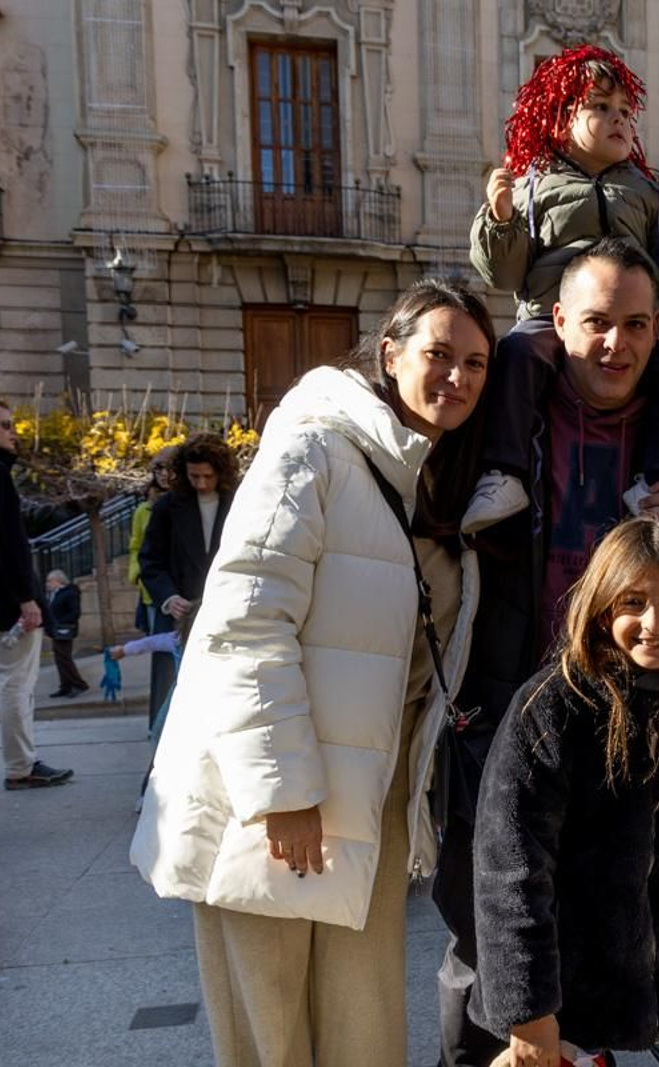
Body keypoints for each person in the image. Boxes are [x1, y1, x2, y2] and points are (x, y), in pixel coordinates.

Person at [129, 278, 493, 1065]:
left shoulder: (425, 479)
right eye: (439, 354)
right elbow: (244, 625)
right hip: (276, 801)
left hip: (370, 804)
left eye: (475, 362)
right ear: (389, 352)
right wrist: (284, 793)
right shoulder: (312, 449)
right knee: (273, 1040)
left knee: (363, 1037)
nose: (456, 377)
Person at [440, 237, 659, 1066]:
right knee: (486, 942)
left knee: (609, 940)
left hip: (626, 736)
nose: (617, 344)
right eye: (597, 321)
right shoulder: (504, 417)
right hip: (501, 708)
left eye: (637, 324)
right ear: (556, 320)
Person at [469, 518, 659, 1067]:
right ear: (601, 605)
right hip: (571, 1008)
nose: (653, 622)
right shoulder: (550, 708)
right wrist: (529, 1012)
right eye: (633, 601)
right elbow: (511, 872)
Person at [463, 44, 659, 534]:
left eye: (626, 111)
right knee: (516, 355)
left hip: (631, 324)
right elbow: (505, 273)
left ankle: (656, 482)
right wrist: (499, 220)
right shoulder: (532, 185)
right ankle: (505, 474)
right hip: (547, 320)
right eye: (600, 107)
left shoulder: (647, 190)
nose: (619, 119)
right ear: (559, 116)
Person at [0, 396, 73, 789]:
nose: (14, 433)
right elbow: (8, 543)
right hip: (3, 600)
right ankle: (20, 767)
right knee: (16, 683)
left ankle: (20, 764)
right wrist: (27, 599)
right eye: (6, 425)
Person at [138, 431, 238, 734]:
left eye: (208, 476)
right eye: (194, 476)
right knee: (171, 689)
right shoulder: (167, 507)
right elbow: (150, 560)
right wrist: (168, 598)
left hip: (227, 609)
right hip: (178, 612)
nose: (201, 483)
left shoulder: (241, 501)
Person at [127, 447, 174, 634]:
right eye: (159, 469)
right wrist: (137, 573)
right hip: (153, 584)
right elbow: (136, 545)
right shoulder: (144, 510)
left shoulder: (187, 504)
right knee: (159, 640)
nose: (164, 474)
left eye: (169, 469)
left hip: (182, 581)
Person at [44, 569, 89, 698]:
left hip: (64, 630)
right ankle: (65, 686)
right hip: (56, 631)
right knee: (59, 659)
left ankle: (79, 684)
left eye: (49, 581)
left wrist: (57, 623)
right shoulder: (55, 594)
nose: (47, 583)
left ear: (58, 581)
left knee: (65, 659)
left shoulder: (69, 593)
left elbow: (75, 613)